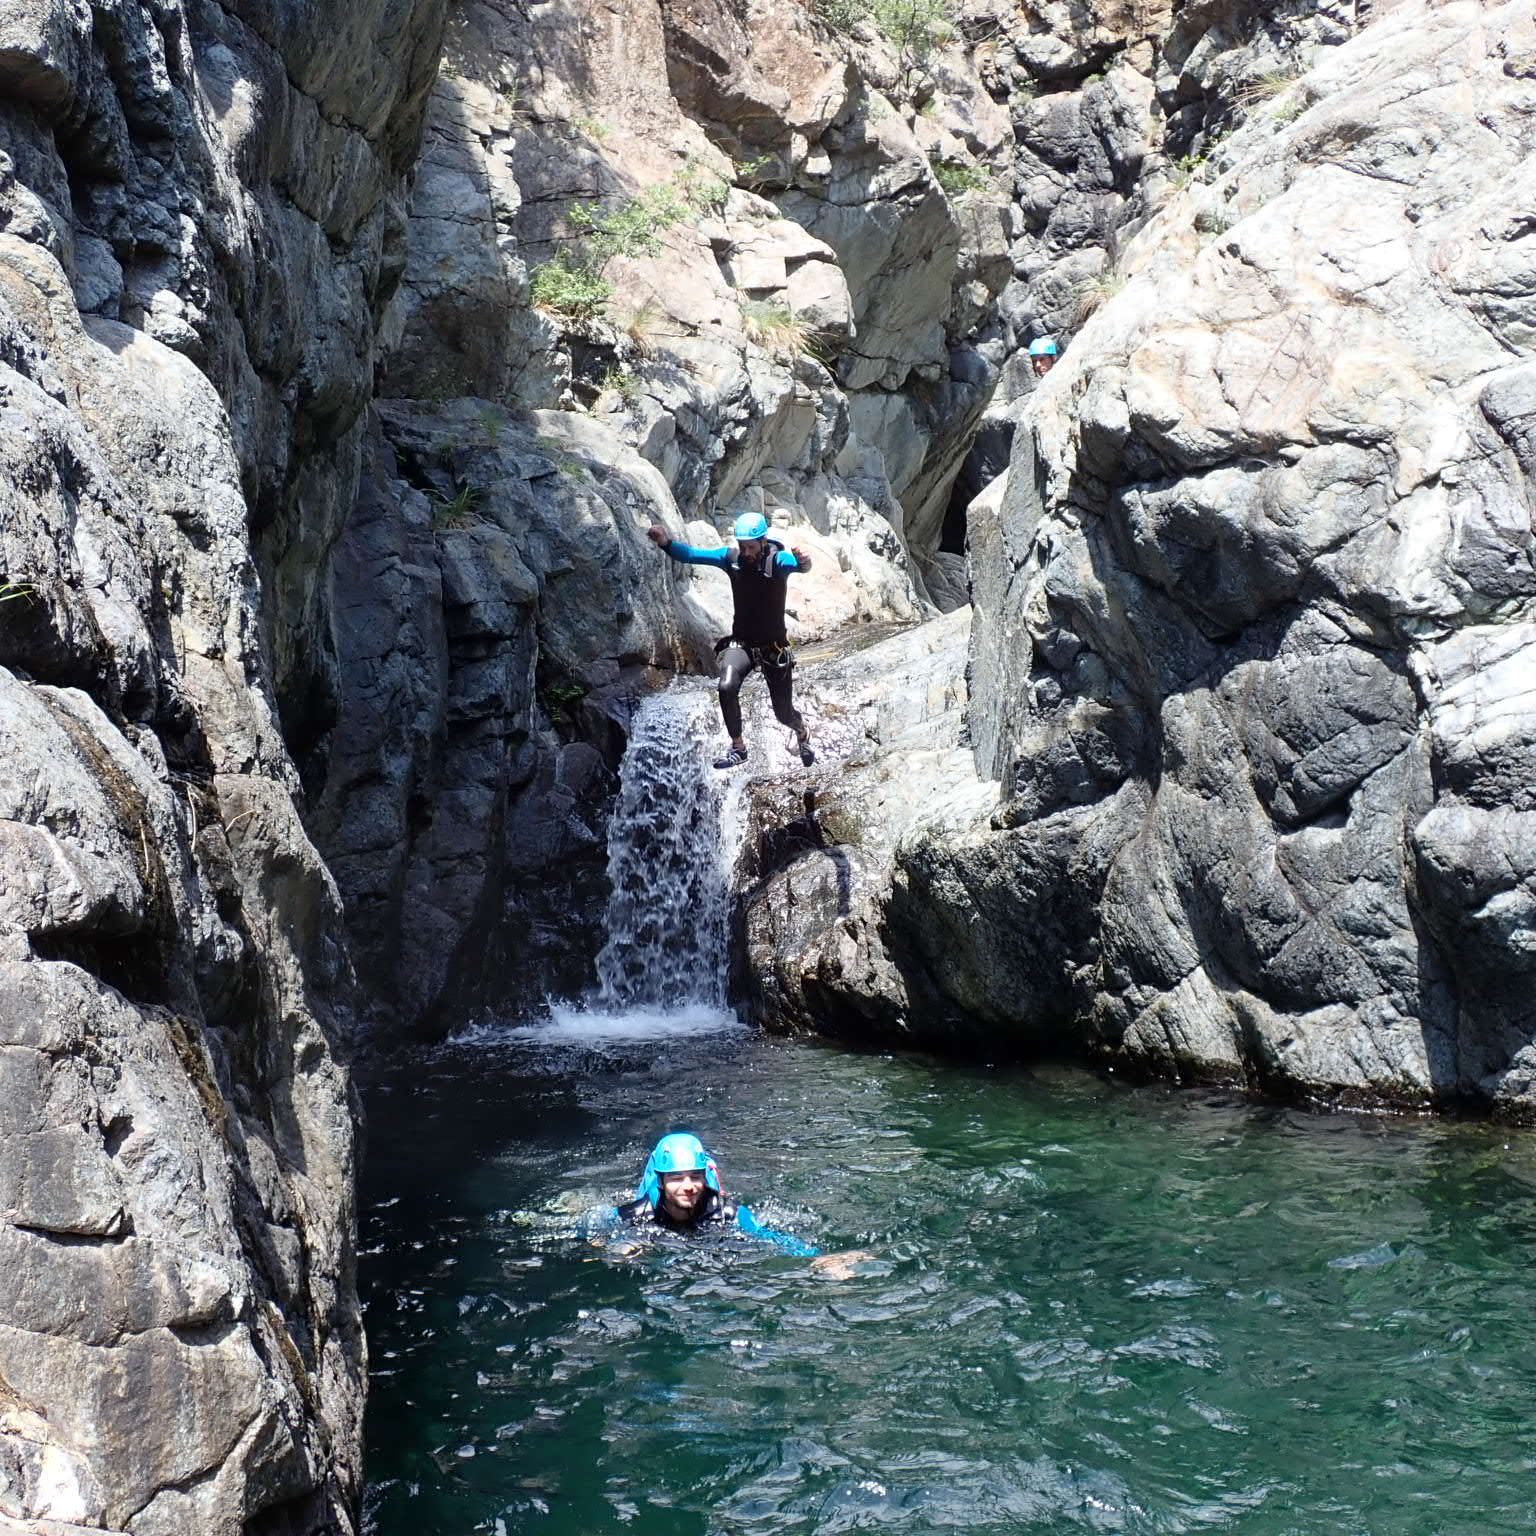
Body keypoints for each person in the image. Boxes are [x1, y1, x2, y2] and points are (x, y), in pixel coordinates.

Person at [647, 512, 814, 770]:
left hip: (774, 648)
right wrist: (666, 543)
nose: (746, 552)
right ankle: (739, 748)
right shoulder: (731, 559)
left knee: (783, 714)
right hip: (743, 644)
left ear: (763, 542)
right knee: (726, 686)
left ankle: (801, 732)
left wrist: (804, 561)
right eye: (742, 546)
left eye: (751, 547)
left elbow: (799, 566)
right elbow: (691, 555)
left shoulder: (776, 561)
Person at [589, 1133, 872, 1276]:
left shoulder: (726, 1211)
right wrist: (602, 1245)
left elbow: (769, 1237)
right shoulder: (636, 1214)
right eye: (677, 1178)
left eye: (695, 1177)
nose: (688, 1186)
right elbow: (592, 1225)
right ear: (661, 1182)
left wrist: (817, 1258)